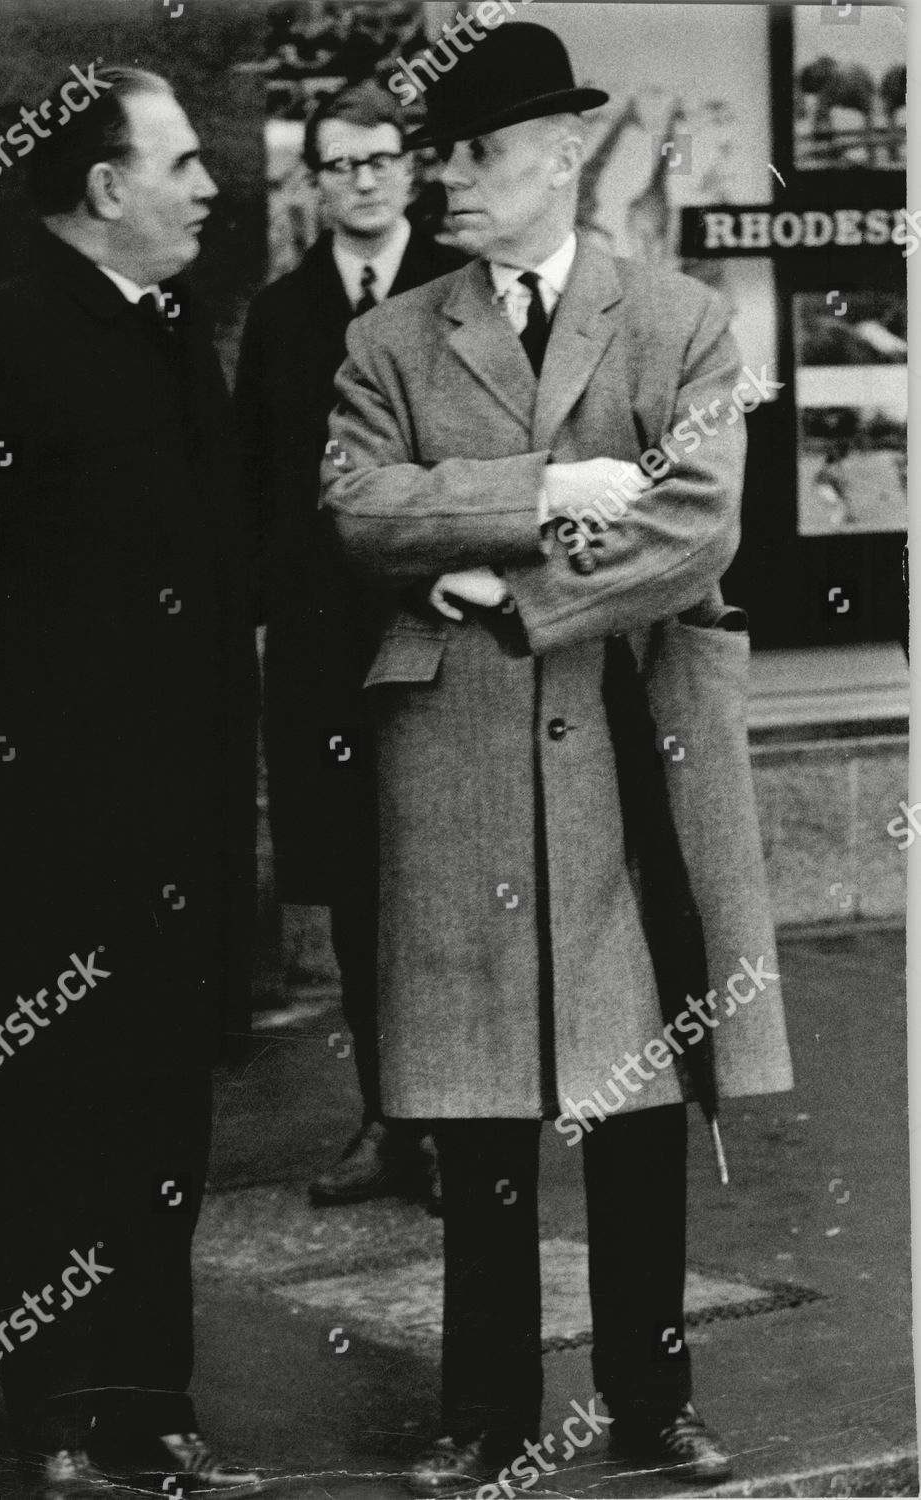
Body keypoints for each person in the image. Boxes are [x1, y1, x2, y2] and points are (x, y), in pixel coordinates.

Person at [321, 24, 794, 1494]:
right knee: (478, 1109)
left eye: (478, 151)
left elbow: (695, 525)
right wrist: (540, 489)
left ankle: (653, 1403)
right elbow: (357, 506)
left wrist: (506, 587)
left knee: (642, 1092)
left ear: (561, 152)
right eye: (439, 154)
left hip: (629, 747)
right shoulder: (389, 338)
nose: (446, 179)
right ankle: (485, 1413)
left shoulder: (677, 321)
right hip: (458, 755)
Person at [0, 66, 259, 1497]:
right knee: (47, 1124)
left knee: (160, 1118)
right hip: (42, 820)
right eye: (186, 162)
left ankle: (153, 1402)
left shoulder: (168, 332)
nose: (210, 187)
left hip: (173, 817)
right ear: (105, 189)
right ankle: (61, 1420)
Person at [236, 80, 463, 1208]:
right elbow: (260, 492)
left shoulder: (460, 291)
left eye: (380, 160)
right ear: (314, 178)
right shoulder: (281, 318)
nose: (363, 181)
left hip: (448, 638)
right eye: (340, 164)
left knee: (453, 887)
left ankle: (467, 1128)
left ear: (410, 168)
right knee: (367, 901)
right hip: (331, 656)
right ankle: (389, 1121)